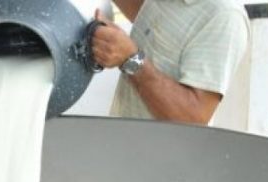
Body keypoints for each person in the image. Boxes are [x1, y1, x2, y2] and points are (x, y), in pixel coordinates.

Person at [91, 0, 249, 125]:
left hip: (160, 155)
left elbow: (192, 118)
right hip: (121, 144)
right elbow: (146, 17)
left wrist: (131, 60)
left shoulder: (225, 16)